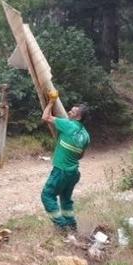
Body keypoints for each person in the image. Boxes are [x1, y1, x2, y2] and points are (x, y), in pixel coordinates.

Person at [40, 98, 90, 230]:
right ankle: (72, 225)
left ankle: (62, 226)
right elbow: (81, 155)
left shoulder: (68, 125)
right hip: (73, 173)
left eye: (72, 111)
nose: (69, 112)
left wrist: (51, 102)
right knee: (66, 199)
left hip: (61, 171)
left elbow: (45, 117)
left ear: (78, 116)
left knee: (47, 195)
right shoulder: (85, 135)